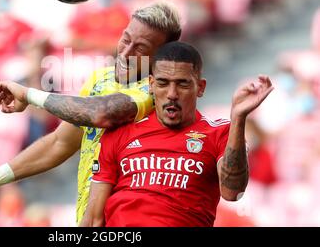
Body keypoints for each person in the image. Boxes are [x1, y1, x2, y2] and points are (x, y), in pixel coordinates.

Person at [0, 1, 182, 225]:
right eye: (125, 39)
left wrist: (30, 95)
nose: (126, 53)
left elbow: (101, 113)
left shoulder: (157, 90)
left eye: (140, 48)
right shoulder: (102, 78)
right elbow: (58, 143)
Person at [80, 42, 274, 227]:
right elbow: (93, 220)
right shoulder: (120, 132)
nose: (172, 93)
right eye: (163, 83)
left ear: (201, 87)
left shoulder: (219, 133)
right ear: (151, 84)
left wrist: (238, 118)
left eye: (182, 84)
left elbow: (233, 192)